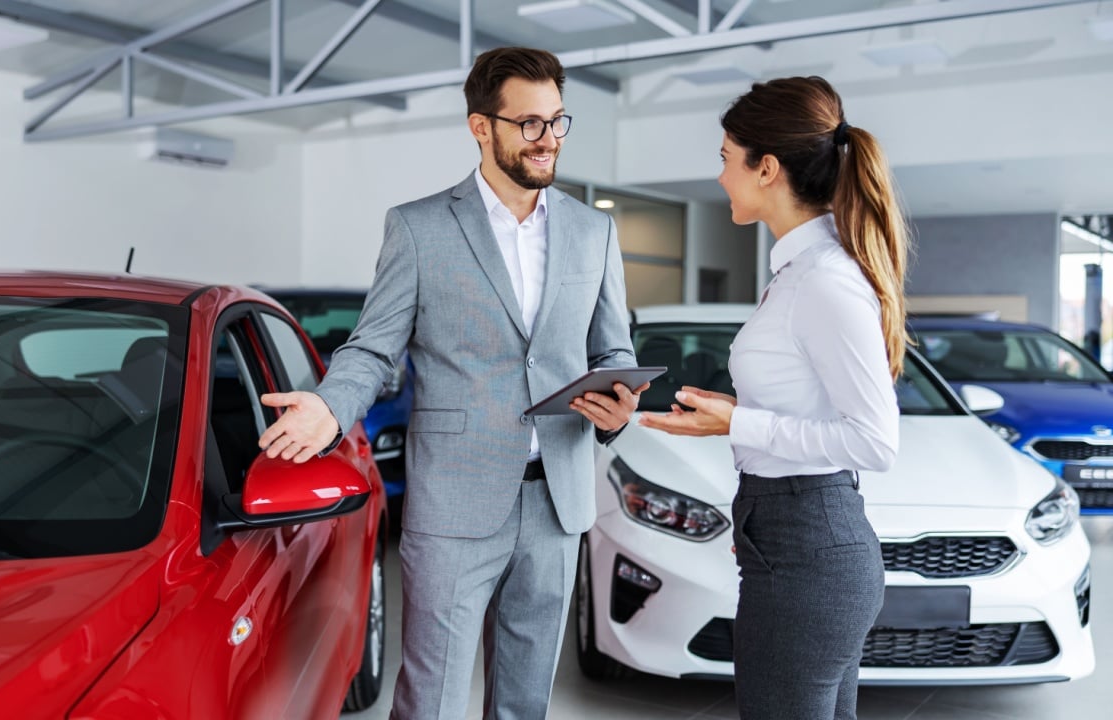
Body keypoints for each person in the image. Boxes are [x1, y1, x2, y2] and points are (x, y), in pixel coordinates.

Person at [257, 47, 644, 720]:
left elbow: (612, 344)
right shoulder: (420, 228)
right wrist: (328, 403)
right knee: (431, 700)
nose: (548, 139)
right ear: (480, 127)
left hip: (557, 500)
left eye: (557, 121)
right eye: (529, 124)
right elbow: (373, 348)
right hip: (453, 502)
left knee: (525, 701)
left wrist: (617, 407)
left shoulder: (594, 231)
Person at [638, 75, 908, 720]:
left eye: (726, 160)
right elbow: (793, 407)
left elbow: (875, 442)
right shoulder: (798, 273)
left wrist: (741, 423)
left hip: (811, 546)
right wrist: (723, 421)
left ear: (767, 168)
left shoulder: (825, 281)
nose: (723, 177)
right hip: (787, 536)